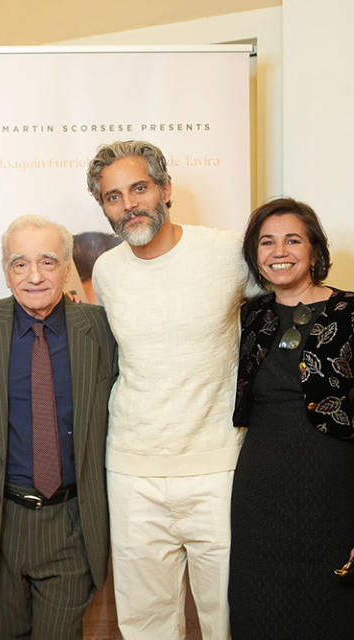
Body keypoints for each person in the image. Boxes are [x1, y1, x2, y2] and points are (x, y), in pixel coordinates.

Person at [86, 140, 251, 639]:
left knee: (231, 617)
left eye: (139, 187)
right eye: (113, 196)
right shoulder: (106, 271)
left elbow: (285, 313)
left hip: (218, 466)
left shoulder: (228, 252)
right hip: (133, 470)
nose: (128, 203)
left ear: (165, 189)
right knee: (145, 626)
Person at [230, 197, 354, 638]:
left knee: (346, 619)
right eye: (266, 242)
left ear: (314, 250)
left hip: (337, 505)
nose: (279, 251)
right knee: (265, 617)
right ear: (255, 255)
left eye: (293, 240)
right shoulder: (251, 317)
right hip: (261, 508)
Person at [0, 214, 117, 638]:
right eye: (20, 263)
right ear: (5, 270)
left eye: (48, 262)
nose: (34, 276)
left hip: (71, 524)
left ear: (68, 266)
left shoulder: (103, 330)